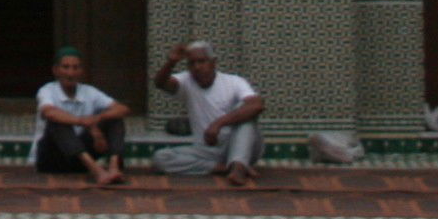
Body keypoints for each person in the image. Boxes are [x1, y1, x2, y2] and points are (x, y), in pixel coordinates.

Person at [150, 40, 266, 185]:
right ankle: (223, 168)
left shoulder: (234, 82)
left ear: (213, 62)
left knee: (247, 114)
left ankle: (238, 168)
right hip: (208, 150)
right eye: (192, 63)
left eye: (202, 61)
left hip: (241, 146)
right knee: (160, 158)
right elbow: (160, 83)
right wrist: (171, 62)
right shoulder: (186, 80)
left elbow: (257, 105)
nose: (197, 67)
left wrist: (218, 124)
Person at [31, 48, 130, 185]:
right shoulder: (47, 90)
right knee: (57, 122)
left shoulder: (89, 92)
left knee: (115, 119)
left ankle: (114, 167)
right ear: (56, 70)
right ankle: (97, 171)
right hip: (52, 159)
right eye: (65, 67)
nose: (70, 73)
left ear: (81, 71)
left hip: (80, 159)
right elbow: (49, 112)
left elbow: (122, 109)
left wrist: (97, 120)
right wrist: (84, 122)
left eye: (75, 68)